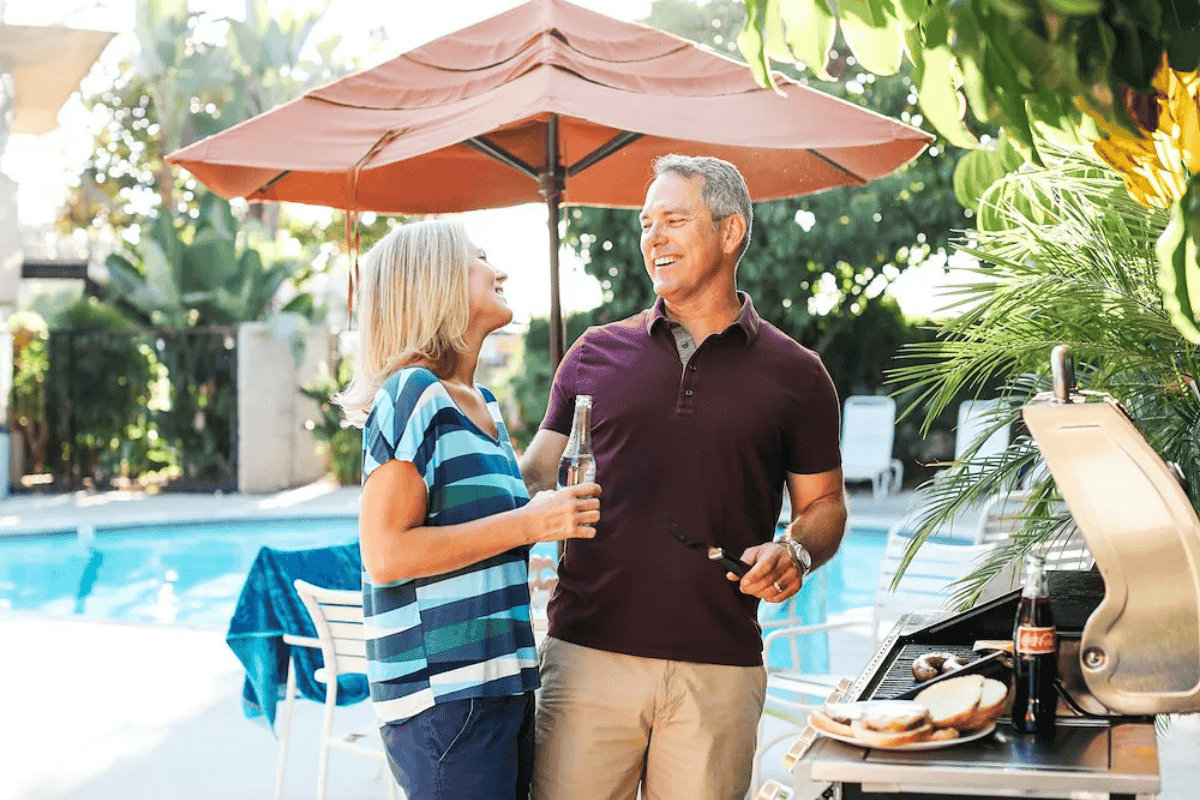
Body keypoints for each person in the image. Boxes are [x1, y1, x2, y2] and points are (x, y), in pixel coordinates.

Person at [520, 155, 848, 800]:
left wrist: (797, 549)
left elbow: (826, 504)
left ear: (730, 231)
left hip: (718, 670)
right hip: (587, 659)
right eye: (646, 224)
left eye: (673, 220)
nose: (653, 238)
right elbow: (533, 472)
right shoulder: (592, 354)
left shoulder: (799, 374)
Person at [336, 219, 601, 800]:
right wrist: (532, 522)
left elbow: (490, 523)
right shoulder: (412, 393)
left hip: (500, 686)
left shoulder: (482, 404)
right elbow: (386, 554)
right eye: (479, 257)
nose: (498, 270)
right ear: (435, 280)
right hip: (446, 702)